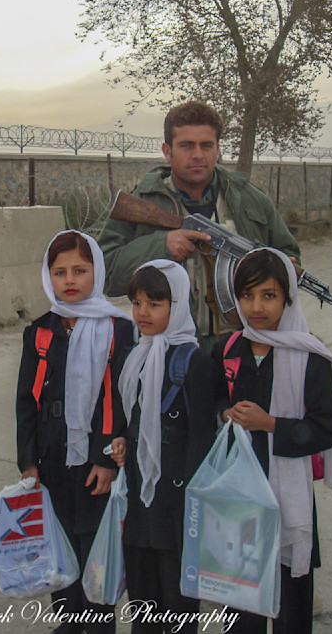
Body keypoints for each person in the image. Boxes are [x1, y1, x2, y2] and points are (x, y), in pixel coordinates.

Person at [210, 248, 332, 633]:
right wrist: (224, 414)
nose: (256, 306)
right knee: (240, 609)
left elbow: (327, 426)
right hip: (240, 497)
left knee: (290, 608)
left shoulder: (308, 356)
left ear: (288, 298)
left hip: (287, 499)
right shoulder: (228, 350)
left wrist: (272, 423)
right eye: (247, 295)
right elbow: (211, 401)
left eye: (269, 295)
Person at [98, 101, 300, 349]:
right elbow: (105, 273)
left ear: (217, 150)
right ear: (167, 150)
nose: (197, 155)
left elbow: (288, 255)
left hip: (243, 345)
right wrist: (161, 246)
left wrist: (284, 269)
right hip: (169, 350)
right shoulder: (141, 202)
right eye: (186, 146)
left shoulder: (250, 198)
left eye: (206, 145)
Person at [15, 230, 135, 634]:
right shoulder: (40, 331)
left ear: (96, 272)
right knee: (59, 546)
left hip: (93, 462)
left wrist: (106, 460)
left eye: (80, 270)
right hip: (51, 459)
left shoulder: (118, 329)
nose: (70, 280)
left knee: (94, 550)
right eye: (59, 271)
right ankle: (67, 624)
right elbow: (25, 402)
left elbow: (118, 399)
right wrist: (29, 462)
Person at [109, 260, 216, 634]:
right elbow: (130, 418)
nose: (142, 313)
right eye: (136, 303)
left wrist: (191, 499)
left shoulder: (194, 361)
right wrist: (122, 441)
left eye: (154, 303)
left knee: (177, 601)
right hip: (140, 499)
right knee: (143, 597)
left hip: (176, 505)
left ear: (178, 304)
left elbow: (202, 436)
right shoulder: (135, 356)